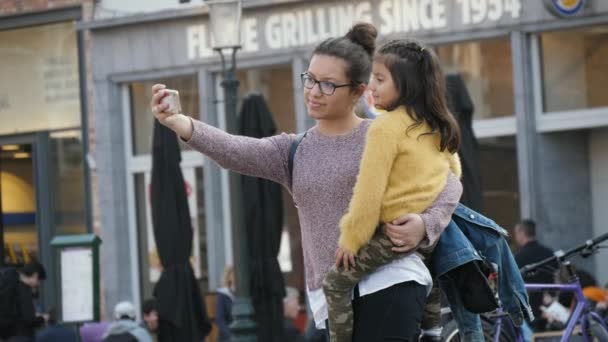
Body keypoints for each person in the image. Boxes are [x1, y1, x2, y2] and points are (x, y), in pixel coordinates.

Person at [151, 22, 462, 341]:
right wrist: (180, 122)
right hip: (331, 298)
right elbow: (235, 149)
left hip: (390, 279)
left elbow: (448, 182)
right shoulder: (293, 150)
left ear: (357, 91)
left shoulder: (385, 134)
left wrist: (425, 224)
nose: (314, 91)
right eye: (310, 79)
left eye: (328, 84)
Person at [323, 38, 461, 342]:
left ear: (407, 84)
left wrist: (351, 239)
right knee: (428, 264)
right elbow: (454, 174)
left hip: (389, 233)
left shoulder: (385, 128)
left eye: (380, 79)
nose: (371, 86)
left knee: (334, 282)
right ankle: (434, 331)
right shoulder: (435, 125)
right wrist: (424, 209)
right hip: (422, 237)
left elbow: (368, 193)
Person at [514, 219, 556, 332]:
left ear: (522, 233)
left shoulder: (519, 257)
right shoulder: (549, 253)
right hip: (550, 305)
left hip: (529, 307)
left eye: (516, 233)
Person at [0, 262, 49, 342]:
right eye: (39, 281)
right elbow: (29, 320)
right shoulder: (23, 290)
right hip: (22, 336)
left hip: (6, 336)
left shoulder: (10, 285)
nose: (38, 284)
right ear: (35, 275)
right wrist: (42, 318)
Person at [215, 266, 235, 342]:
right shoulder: (223, 294)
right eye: (233, 273)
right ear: (229, 277)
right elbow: (219, 318)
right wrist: (230, 335)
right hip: (227, 337)